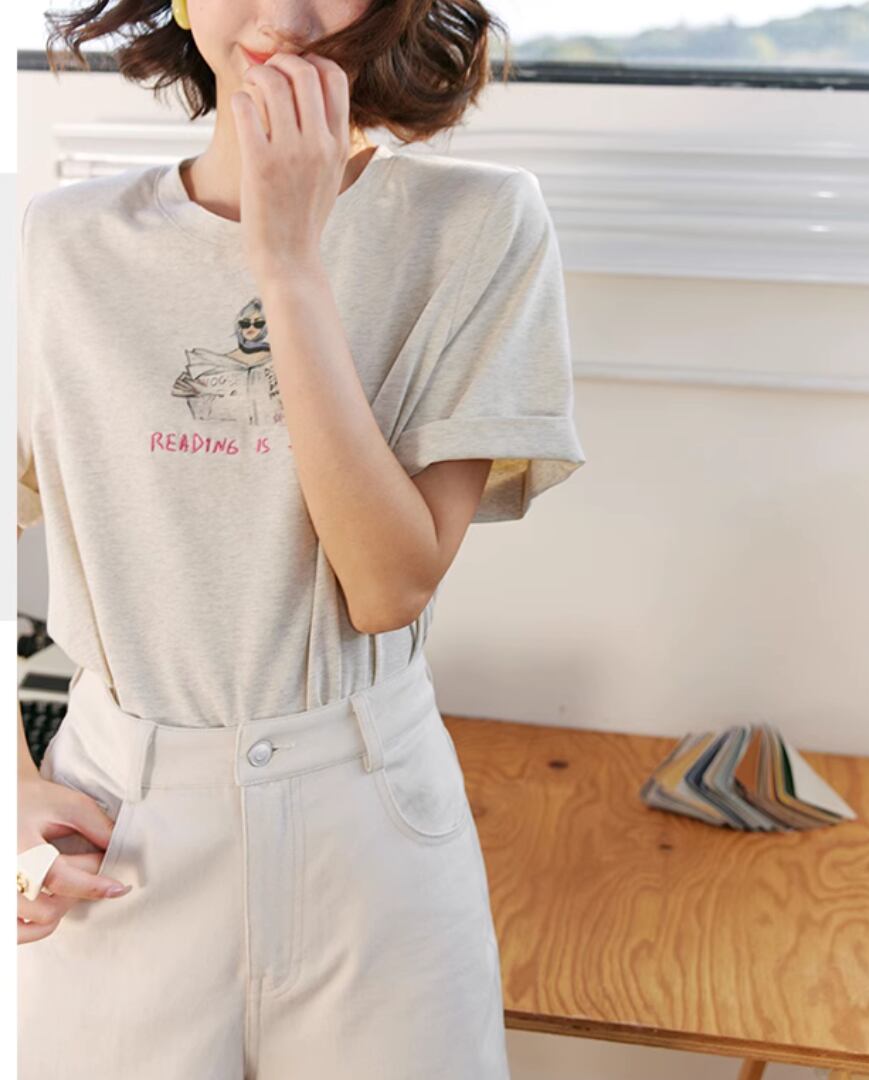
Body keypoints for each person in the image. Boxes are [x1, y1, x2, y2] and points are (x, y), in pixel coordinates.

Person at [16, 0, 587, 1076]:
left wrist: (287, 262)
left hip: (368, 829)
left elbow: (387, 587)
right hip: (117, 826)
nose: (284, 16)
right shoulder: (60, 241)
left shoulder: (478, 225)